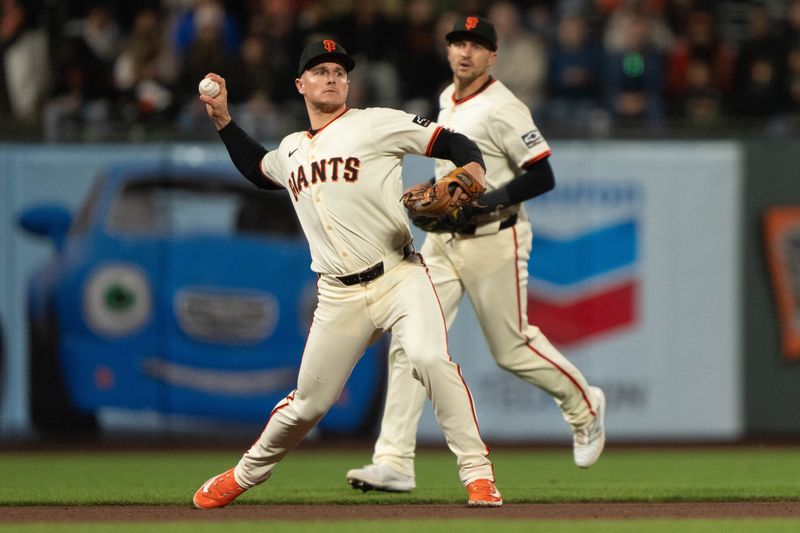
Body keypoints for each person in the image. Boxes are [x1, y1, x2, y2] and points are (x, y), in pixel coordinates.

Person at [192, 38, 503, 508]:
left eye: (339, 71)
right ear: (300, 85)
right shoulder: (293, 149)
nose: (332, 77)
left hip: (399, 275)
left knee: (428, 359)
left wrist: (473, 167)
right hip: (338, 296)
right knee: (307, 406)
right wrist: (222, 120)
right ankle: (244, 473)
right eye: (320, 71)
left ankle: (478, 476)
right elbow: (259, 170)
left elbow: (451, 141)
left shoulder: (376, 122)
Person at [345, 16, 606, 494]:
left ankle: (584, 406)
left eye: (476, 45)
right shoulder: (447, 98)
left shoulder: (504, 107)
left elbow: (542, 175)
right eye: (458, 43)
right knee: (409, 342)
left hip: (494, 237)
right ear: (448, 52)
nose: (465, 52)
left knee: (513, 349)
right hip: (443, 243)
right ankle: (394, 461)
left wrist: (482, 201)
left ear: (492, 55)